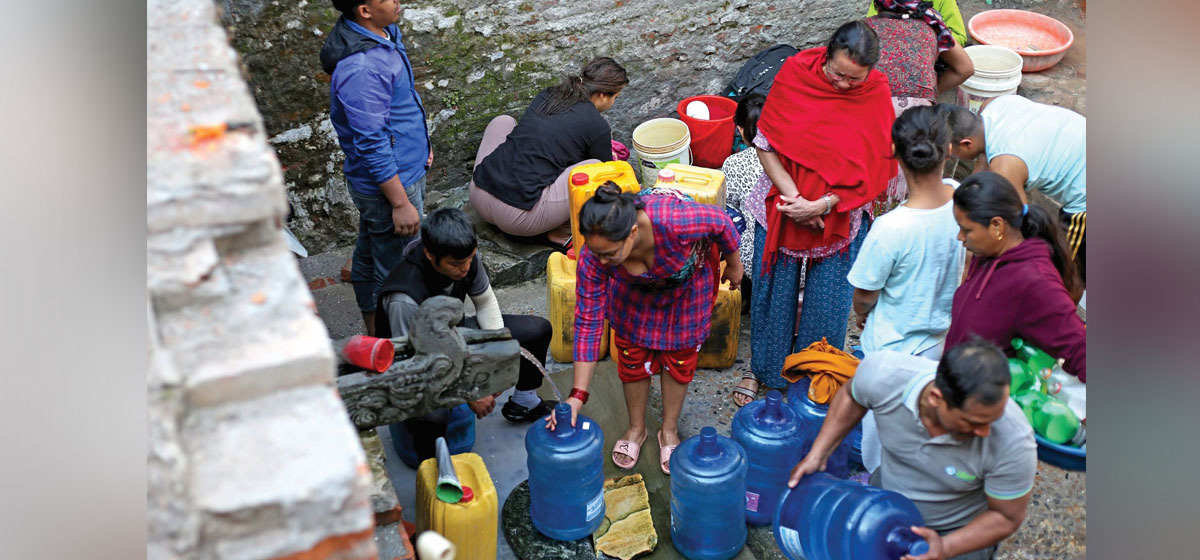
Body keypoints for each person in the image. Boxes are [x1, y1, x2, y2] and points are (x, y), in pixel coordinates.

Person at [738, 21, 896, 404]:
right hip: (782, 205)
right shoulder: (795, 74)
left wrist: (823, 204)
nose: (843, 86)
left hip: (840, 212)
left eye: (853, 80)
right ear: (826, 55)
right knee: (772, 295)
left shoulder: (875, 92)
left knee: (829, 302)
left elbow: (877, 162)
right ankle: (765, 371)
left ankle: (812, 374)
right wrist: (796, 202)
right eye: (838, 74)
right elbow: (766, 143)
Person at [546, 183, 742, 475]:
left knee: (679, 360)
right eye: (595, 252)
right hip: (632, 295)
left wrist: (734, 264)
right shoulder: (594, 257)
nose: (599, 261)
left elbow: (722, 222)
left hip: (686, 290)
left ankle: (669, 430)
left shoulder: (674, 220)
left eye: (609, 254)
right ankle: (636, 429)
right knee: (632, 356)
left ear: (633, 233)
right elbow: (588, 322)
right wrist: (578, 394)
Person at [788, 339, 1037, 560]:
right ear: (936, 398)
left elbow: (1007, 517)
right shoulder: (884, 375)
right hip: (880, 512)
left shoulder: (1013, 441)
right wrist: (818, 454)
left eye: (994, 418)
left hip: (955, 539)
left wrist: (945, 547)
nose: (986, 431)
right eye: (974, 422)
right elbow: (851, 396)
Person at [375, 209, 557, 460]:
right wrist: (471, 392)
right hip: (410, 364)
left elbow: (485, 303)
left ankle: (524, 402)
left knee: (536, 330)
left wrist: (496, 359)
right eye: (456, 264)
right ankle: (432, 468)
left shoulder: (464, 254)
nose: (465, 268)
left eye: (470, 259)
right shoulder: (405, 299)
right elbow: (417, 366)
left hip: (456, 334)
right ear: (430, 254)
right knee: (434, 414)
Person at [847, 105, 966, 474]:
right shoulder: (963, 198)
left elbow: (865, 295)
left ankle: (883, 494)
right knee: (927, 429)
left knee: (881, 442)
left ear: (896, 155)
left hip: (891, 351)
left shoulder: (890, 228)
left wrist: (863, 316)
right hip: (942, 343)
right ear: (948, 152)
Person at [320, 0, 432, 337]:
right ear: (364, 11)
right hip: (391, 187)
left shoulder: (384, 33)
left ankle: (374, 334)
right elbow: (371, 141)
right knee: (398, 271)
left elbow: (399, 104)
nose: (397, 1)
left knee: (369, 256)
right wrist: (400, 203)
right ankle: (395, 350)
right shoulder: (363, 67)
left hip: (403, 170)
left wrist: (421, 143)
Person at [470, 58, 629, 248]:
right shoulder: (596, 125)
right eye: (615, 97)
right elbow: (606, 172)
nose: (614, 102)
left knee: (503, 121)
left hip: (478, 193)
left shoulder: (549, 94)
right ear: (603, 95)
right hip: (517, 218)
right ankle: (559, 231)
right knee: (595, 167)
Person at [947, 171, 1086, 381]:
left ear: (997, 226)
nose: (960, 237)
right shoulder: (988, 253)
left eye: (966, 230)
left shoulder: (1035, 282)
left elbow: (1081, 351)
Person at [939, 98, 1087, 283]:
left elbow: (1020, 224)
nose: (950, 157)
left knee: (1065, 272)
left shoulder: (1006, 167)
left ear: (967, 144)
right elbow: (983, 162)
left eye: (952, 153)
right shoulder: (994, 105)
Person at [867, 0, 973, 206]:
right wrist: (930, 93)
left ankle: (877, 219)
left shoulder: (865, 28)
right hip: (919, 111)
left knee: (876, 177)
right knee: (915, 175)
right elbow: (966, 68)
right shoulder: (932, 26)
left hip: (875, 108)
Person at [721, 93, 766, 277]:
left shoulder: (734, 164)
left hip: (755, 262)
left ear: (740, 130)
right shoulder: (796, 155)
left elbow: (727, 202)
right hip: (805, 262)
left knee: (727, 211)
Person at [867, 0, 969, 48]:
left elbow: (960, 37)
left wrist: (928, 40)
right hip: (891, 49)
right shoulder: (884, 2)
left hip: (932, 54)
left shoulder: (944, 1)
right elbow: (869, 30)